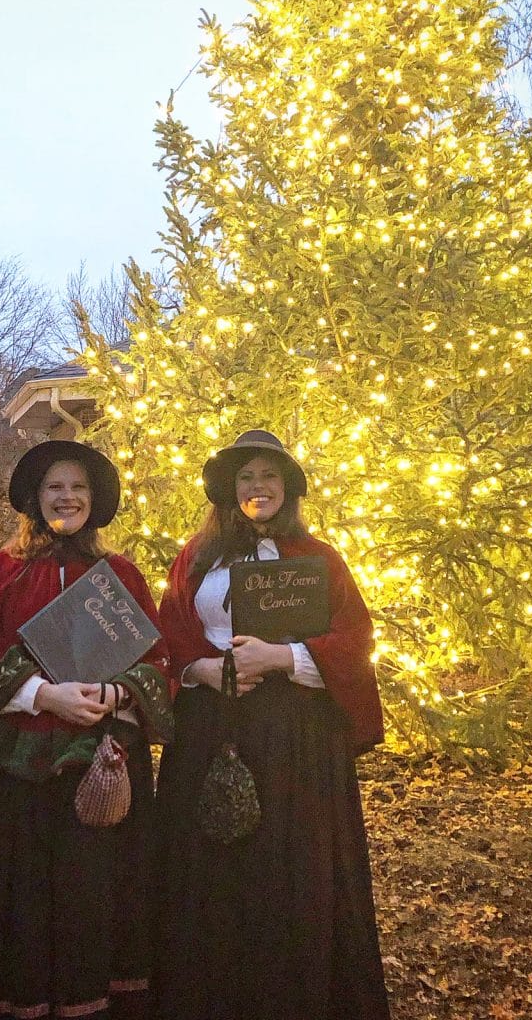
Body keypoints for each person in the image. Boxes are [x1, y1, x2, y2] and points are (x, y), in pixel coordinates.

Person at [154, 430, 390, 1020]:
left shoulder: (319, 558)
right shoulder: (198, 555)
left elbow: (354, 638)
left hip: (294, 737)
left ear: (287, 488)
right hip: (212, 726)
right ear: (228, 491)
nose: (257, 488)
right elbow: (171, 625)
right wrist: (202, 670)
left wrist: (285, 658)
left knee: (290, 870)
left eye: (268, 477)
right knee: (209, 872)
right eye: (245, 478)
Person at [0, 440, 172, 1020]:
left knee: (91, 893)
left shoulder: (121, 575)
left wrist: (115, 693)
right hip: (16, 766)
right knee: (17, 894)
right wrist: (42, 694)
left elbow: (158, 660)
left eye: (78, 489)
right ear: (35, 500)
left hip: (103, 760)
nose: (66, 498)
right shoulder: (0, 572)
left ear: (95, 501)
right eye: (54, 488)